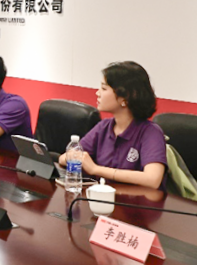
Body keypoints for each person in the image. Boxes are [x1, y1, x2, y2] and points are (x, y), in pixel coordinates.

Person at [58, 61, 167, 190]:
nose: (97, 93)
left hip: (137, 201)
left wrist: (96, 169)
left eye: (104, 89)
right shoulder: (103, 127)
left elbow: (152, 179)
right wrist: (73, 157)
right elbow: (63, 158)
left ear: (125, 97)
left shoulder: (151, 132)